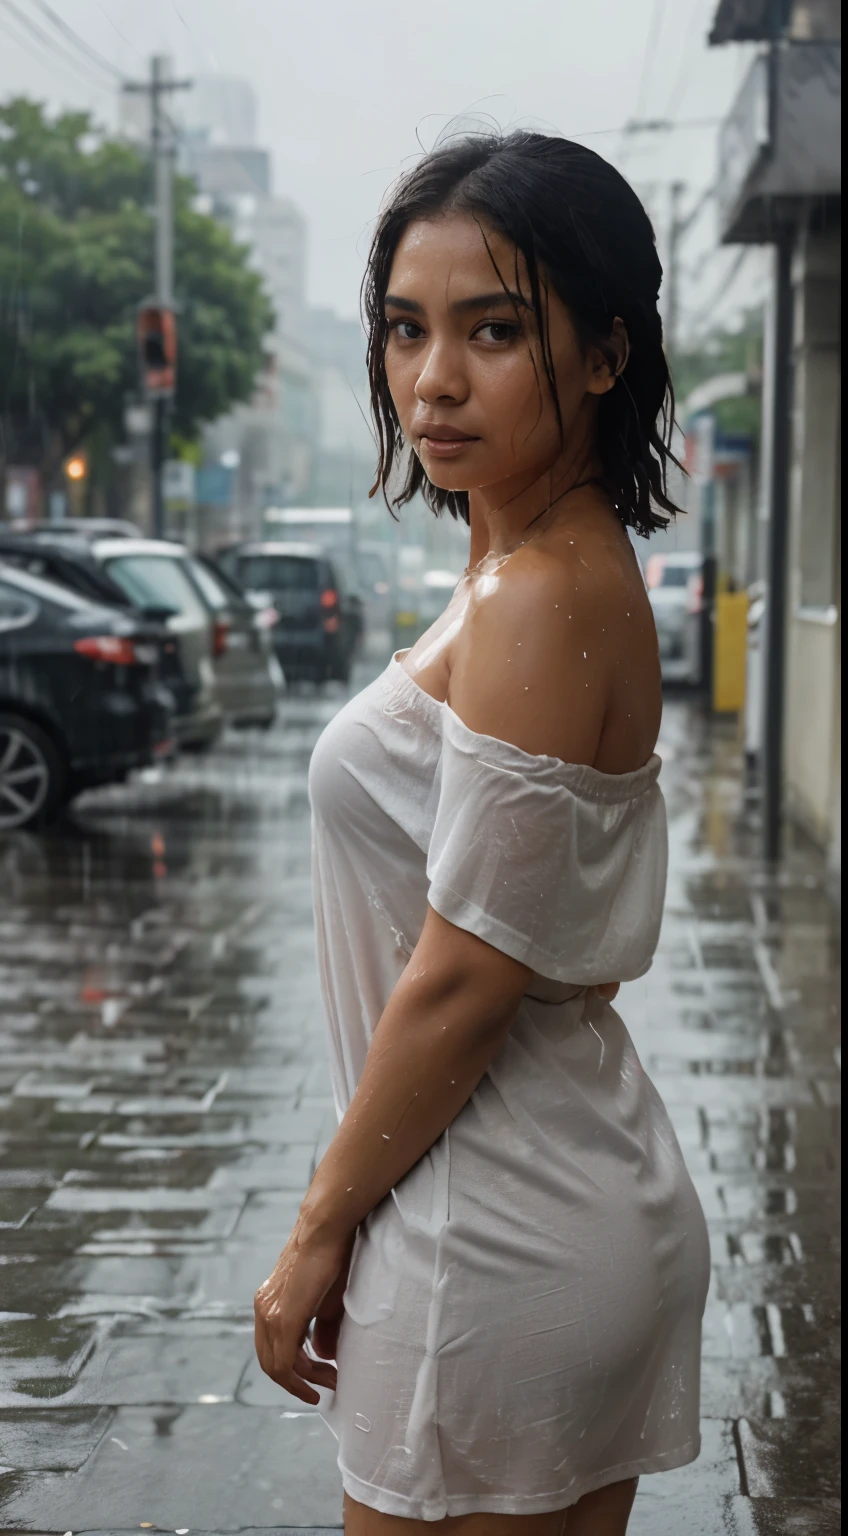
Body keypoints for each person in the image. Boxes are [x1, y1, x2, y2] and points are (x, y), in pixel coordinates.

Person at [254, 130, 710, 1535]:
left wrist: (319, 1230)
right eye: (406, 329)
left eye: (493, 330)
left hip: (485, 1239)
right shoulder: (534, 565)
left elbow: (464, 976)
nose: (433, 377)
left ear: (600, 354)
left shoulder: (539, 594)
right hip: (548, 1198)